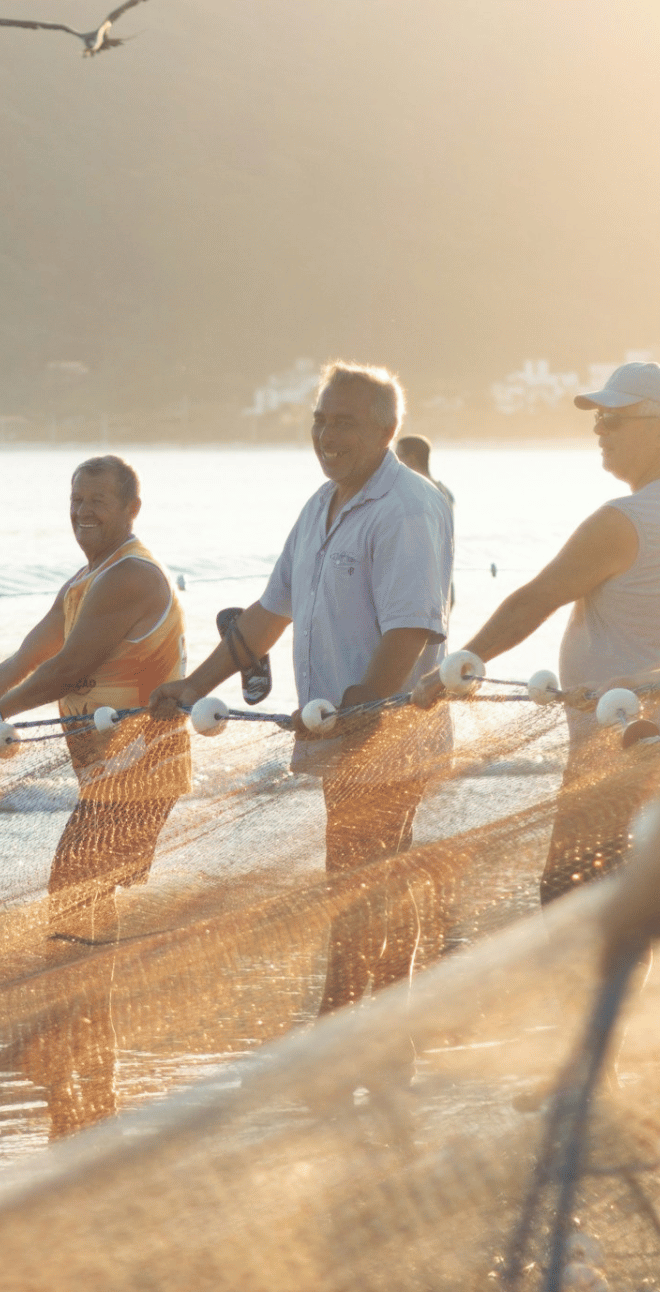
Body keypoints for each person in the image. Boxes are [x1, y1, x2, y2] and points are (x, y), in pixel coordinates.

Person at [150, 363, 454, 1014]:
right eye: (319, 420)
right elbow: (266, 616)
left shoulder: (407, 508)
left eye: (342, 422)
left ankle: (344, 1028)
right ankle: (376, 1031)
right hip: (342, 734)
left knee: (355, 884)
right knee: (369, 882)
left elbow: (411, 630)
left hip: (388, 737)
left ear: (385, 430)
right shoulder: (320, 506)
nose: (325, 434)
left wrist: (366, 705)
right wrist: (191, 685)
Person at [414, 360, 660, 903]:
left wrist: (461, 664)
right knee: (635, 921)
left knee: (570, 906)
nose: (599, 429)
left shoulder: (625, 520)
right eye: (597, 417)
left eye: (613, 419)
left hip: (614, 757)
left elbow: (534, 601)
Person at [0, 455, 189, 942]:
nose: (83, 511)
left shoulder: (129, 575)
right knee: (83, 897)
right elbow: (25, 659)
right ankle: (91, 1010)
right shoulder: (84, 581)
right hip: (108, 771)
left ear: (132, 508)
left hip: (142, 766)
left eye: (98, 501)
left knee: (74, 894)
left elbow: (65, 670)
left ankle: (82, 1010)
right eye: (76, 500)